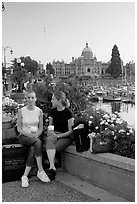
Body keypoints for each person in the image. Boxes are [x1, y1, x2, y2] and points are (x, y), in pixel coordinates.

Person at [17, 90, 50, 188]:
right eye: (28, 98)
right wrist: (28, 134)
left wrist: (36, 135)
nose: (30, 100)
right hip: (24, 136)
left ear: (35, 99)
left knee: (33, 148)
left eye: (32, 97)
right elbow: (19, 128)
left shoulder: (39, 111)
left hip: (35, 136)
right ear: (26, 99)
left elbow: (41, 128)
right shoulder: (21, 111)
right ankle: (40, 170)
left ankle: (24, 176)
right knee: (37, 142)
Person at [45, 91, 74, 179]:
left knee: (53, 148)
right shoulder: (53, 111)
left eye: (53, 99)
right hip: (54, 133)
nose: (51, 101)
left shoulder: (68, 113)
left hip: (65, 136)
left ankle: (51, 166)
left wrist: (58, 136)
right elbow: (50, 126)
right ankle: (52, 167)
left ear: (59, 100)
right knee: (49, 141)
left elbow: (70, 131)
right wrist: (50, 132)